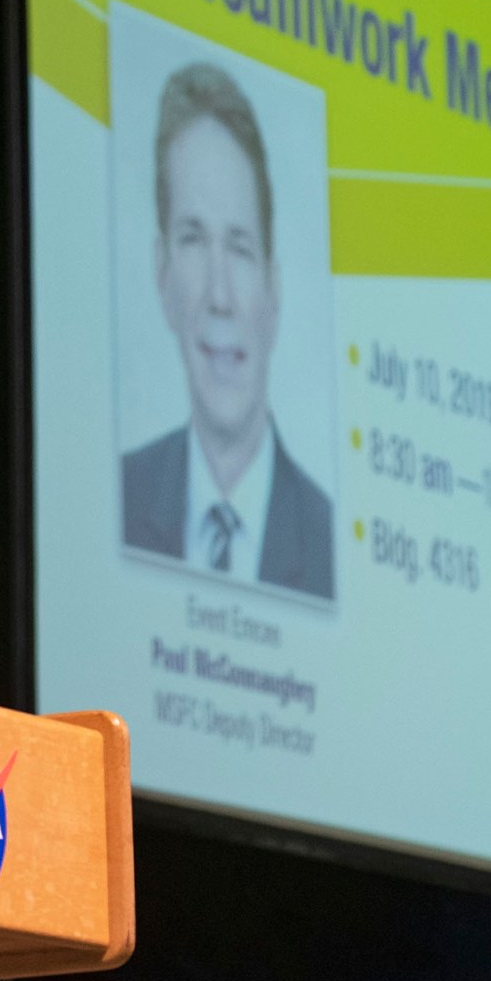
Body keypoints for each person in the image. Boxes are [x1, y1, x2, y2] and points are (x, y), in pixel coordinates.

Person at [121, 62, 332, 598]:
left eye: (240, 249)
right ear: (162, 274)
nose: (219, 296)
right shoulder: (117, 494)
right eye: (193, 239)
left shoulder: (329, 541)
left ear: (274, 286)